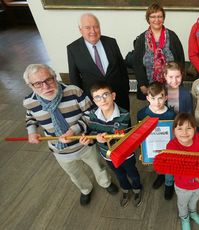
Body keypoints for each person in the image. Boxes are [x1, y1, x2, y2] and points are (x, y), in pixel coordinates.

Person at [23, 64, 118, 206]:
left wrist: (74, 130)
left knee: (98, 166)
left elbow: (91, 114)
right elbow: (30, 118)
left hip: (84, 143)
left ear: (55, 77)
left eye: (48, 79)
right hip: (59, 150)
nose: (45, 86)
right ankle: (85, 189)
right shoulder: (29, 102)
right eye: (38, 84)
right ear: (30, 85)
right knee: (74, 174)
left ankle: (105, 183)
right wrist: (32, 132)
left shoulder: (74, 91)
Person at [80, 81, 143, 208]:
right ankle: (125, 190)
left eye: (105, 95)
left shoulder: (124, 114)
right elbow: (92, 133)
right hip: (107, 155)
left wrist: (104, 139)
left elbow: (122, 138)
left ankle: (137, 189)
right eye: (97, 97)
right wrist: (90, 140)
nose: (102, 100)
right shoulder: (92, 116)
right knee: (119, 174)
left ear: (113, 96)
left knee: (133, 174)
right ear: (94, 101)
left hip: (125, 155)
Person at [67, 13, 130, 111]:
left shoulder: (111, 42)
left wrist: (126, 89)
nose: (93, 31)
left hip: (119, 95)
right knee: (101, 125)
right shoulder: (73, 49)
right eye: (88, 28)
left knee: (124, 123)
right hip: (94, 100)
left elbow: (122, 68)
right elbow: (74, 79)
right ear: (80, 29)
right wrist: (81, 101)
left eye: (96, 27)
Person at [133, 2, 185, 100]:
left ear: (163, 18)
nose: (156, 20)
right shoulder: (141, 39)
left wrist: (178, 82)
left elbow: (180, 60)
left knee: (172, 112)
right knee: (153, 113)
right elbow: (137, 63)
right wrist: (142, 84)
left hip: (171, 86)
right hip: (150, 88)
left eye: (159, 16)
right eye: (153, 16)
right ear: (148, 19)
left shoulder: (172, 36)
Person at [166, 113, 199, 230]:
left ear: (195, 129)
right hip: (182, 185)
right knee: (182, 203)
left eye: (188, 128)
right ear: (174, 131)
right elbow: (174, 168)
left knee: (195, 199)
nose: (184, 132)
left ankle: (193, 212)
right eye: (180, 128)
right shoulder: (171, 146)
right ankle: (184, 218)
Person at [137, 82, 176, 200]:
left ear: (166, 98)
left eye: (160, 98)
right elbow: (139, 134)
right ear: (148, 98)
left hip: (167, 150)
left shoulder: (171, 114)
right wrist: (142, 150)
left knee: (169, 167)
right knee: (157, 163)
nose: (157, 102)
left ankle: (169, 183)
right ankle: (160, 175)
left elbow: (174, 133)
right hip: (152, 149)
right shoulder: (142, 114)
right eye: (153, 98)